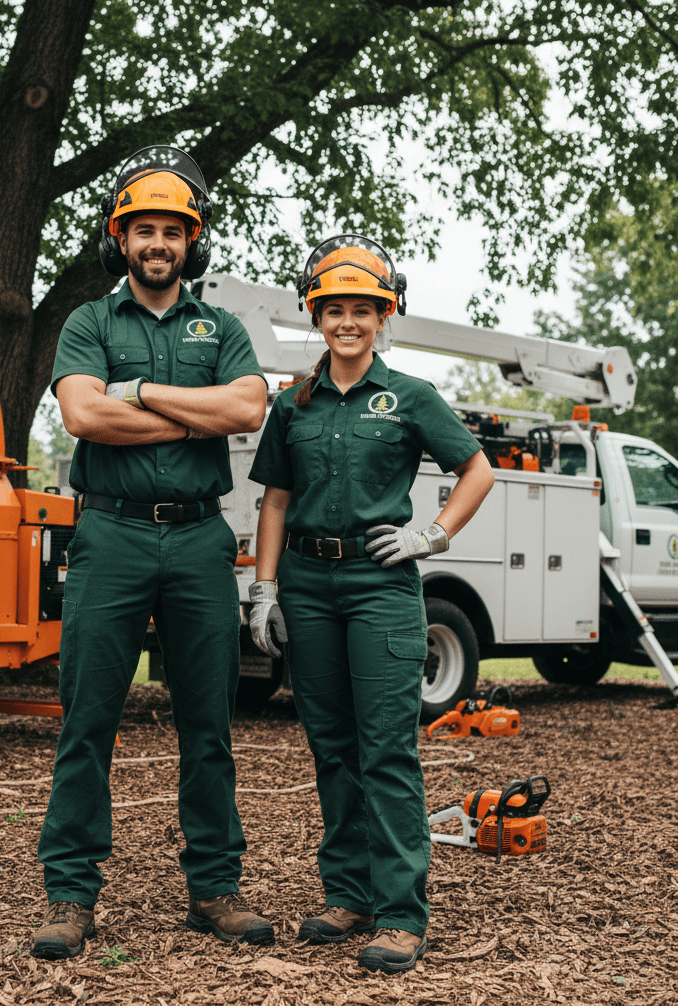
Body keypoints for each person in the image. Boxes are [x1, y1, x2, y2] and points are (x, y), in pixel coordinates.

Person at [32, 147, 271, 960]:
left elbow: (247, 408)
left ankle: (214, 887)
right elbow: (84, 419)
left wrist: (137, 394)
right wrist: (192, 416)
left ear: (191, 244)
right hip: (112, 533)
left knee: (209, 722)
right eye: (144, 231)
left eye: (173, 231)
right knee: (88, 718)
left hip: (201, 538)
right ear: (119, 240)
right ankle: (70, 895)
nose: (158, 243)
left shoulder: (222, 327)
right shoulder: (89, 323)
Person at [247, 235, 494, 974]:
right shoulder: (292, 403)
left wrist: (432, 535)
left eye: (364, 309)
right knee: (331, 744)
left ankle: (398, 913)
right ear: (316, 315)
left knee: (386, 748)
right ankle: (348, 894)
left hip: (382, 587)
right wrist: (263, 590)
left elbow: (475, 469)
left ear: (385, 315)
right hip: (309, 586)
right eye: (334, 309)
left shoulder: (410, 397)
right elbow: (275, 500)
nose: (348, 321)